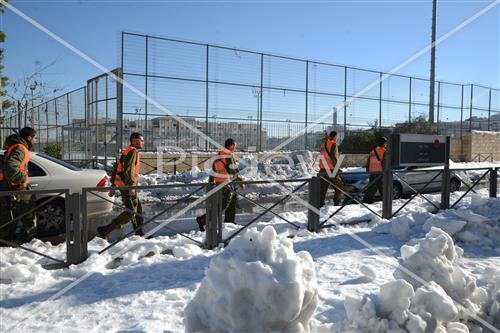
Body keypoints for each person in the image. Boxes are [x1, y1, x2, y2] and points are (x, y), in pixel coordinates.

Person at [98, 132, 145, 239]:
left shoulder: (127, 151)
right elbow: (128, 170)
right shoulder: (132, 152)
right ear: (134, 141)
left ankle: (139, 233)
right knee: (131, 211)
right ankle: (106, 229)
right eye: (140, 140)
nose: (142, 142)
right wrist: (131, 187)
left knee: (138, 210)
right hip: (128, 187)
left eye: (142, 140)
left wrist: (114, 185)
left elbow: (117, 168)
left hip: (126, 186)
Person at [0, 127, 38, 241]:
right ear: (29, 138)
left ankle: (7, 240)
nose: (36, 140)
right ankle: (29, 242)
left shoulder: (15, 147)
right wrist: (23, 180)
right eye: (35, 138)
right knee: (28, 216)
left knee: (9, 217)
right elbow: (11, 167)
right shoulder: (21, 148)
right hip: (17, 188)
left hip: (9, 187)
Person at [196, 138, 242, 231]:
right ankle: (203, 219)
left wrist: (211, 182)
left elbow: (213, 171)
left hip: (219, 183)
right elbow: (232, 170)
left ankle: (230, 222)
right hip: (226, 184)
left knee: (232, 201)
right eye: (235, 146)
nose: (235, 148)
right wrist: (240, 181)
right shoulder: (228, 155)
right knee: (223, 206)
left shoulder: (219, 155)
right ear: (232, 146)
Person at [318, 131, 356, 207]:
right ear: (335, 136)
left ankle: (320, 205)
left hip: (322, 169)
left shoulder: (322, 145)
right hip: (331, 170)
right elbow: (334, 158)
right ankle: (336, 203)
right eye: (337, 137)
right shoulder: (333, 144)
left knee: (322, 189)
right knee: (339, 187)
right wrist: (337, 169)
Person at [363, 137, 388, 204]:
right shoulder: (384, 151)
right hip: (380, 171)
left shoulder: (373, 150)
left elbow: (368, 161)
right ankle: (386, 202)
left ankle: (367, 200)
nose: (386, 144)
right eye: (386, 143)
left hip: (372, 171)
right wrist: (385, 171)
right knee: (382, 187)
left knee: (372, 187)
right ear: (384, 143)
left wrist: (368, 169)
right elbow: (384, 162)